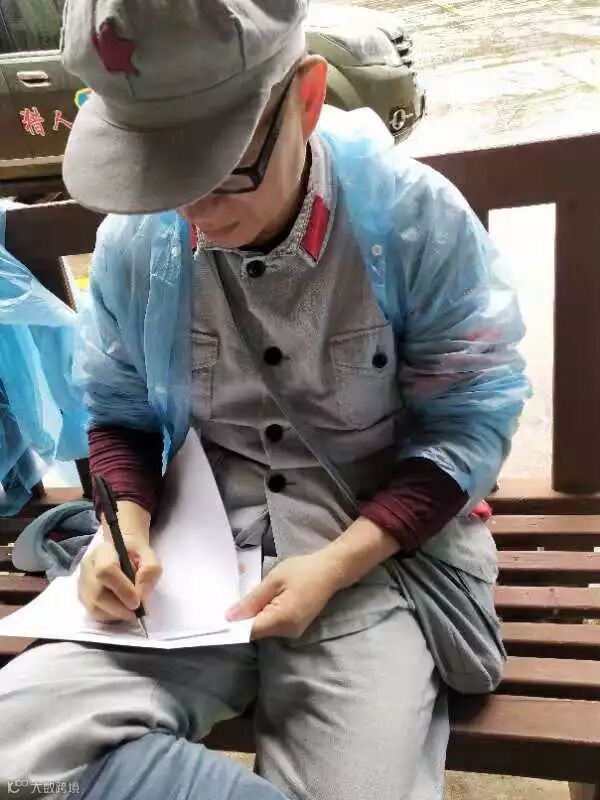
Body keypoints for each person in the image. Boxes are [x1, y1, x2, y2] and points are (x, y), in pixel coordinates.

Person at [0, 2, 530, 798]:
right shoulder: (139, 241)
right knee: (13, 742)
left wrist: (338, 565)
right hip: (190, 565)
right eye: (158, 175)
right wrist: (125, 530)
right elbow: (119, 410)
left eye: (220, 172)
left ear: (306, 99)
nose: (194, 212)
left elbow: (469, 422)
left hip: (368, 556)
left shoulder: (410, 222)